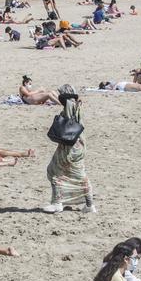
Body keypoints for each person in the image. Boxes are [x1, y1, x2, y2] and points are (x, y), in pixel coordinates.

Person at [43, 85, 94, 213]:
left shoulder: (70, 106)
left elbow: (64, 100)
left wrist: (58, 96)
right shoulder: (77, 106)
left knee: (54, 171)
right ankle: (89, 204)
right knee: (80, 175)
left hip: (69, 147)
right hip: (79, 146)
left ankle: (57, 203)